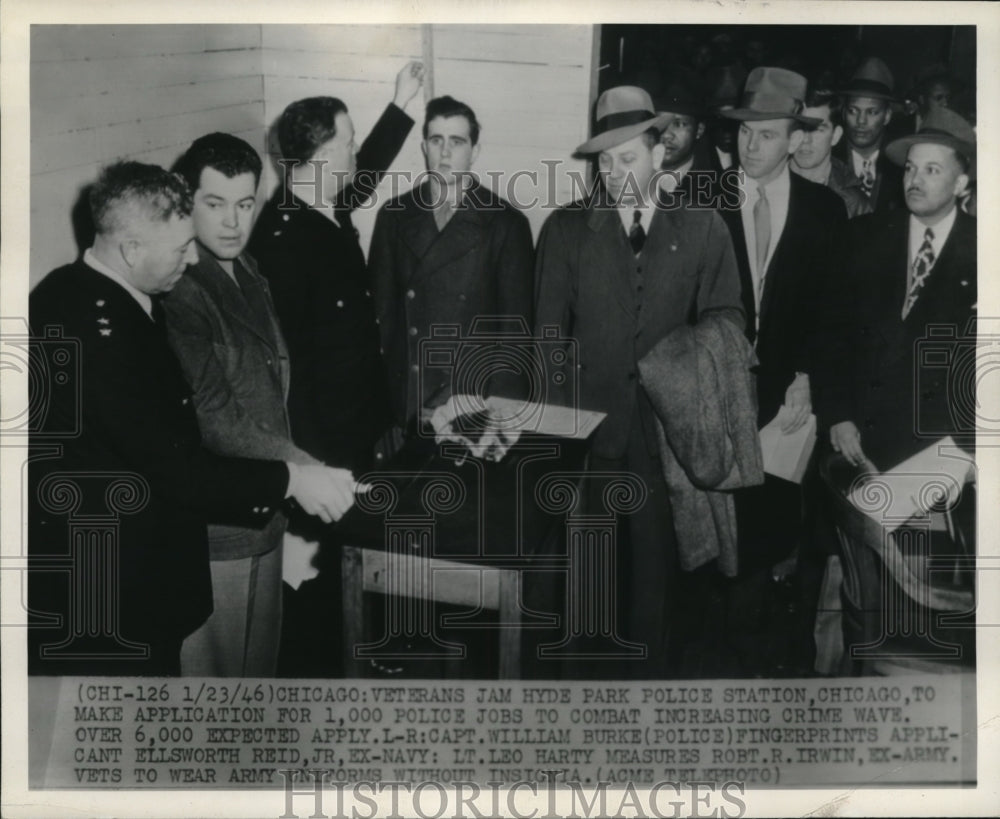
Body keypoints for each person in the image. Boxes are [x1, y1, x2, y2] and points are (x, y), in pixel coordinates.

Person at [28, 162, 361, 676]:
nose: (192, 257)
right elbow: (178, 470)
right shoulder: (104, 337)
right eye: (181, 248)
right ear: (132, 249)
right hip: (117, 591)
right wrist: (294, 478)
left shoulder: (74, 291)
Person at [535, 86, 744, 678]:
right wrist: (555, 437)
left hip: (667, 439)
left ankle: (647, 704)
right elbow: (546, 340)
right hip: (587, 436)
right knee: (584, 579)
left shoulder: (703, 226)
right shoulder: (567, 229)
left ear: (660, 153)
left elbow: (729, 318)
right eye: (605, 162)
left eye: (628, 158)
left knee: (656, 582)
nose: (616, 173)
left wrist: (677, 365)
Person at [161, 133, 324, 677]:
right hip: (217, 529)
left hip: (266, 514)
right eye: (214, 204)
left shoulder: (248, 268)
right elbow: (213, 417)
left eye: (245, 204)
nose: (232, 222)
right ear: (186, 200)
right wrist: (304, 469)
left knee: (258, 676)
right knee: (213, 692)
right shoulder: (180, 288)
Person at [716, 67, 848, 673]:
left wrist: (805, 372)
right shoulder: (705, 198)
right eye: (745, 133)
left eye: (767, 135)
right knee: (718, 527)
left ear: (796, 139)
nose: (751, 146)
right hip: (718, 391)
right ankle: (717, 649)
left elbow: (830, 309)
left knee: (771, 522)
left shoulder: (825, 212)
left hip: (787, 396)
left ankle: (758, 652)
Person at [248, 62, 425, 473]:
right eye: (349, 143)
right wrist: (314, 465)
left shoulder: (323, 203)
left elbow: (366, 172)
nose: (355, 150)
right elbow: (292, 367)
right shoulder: (282, 243)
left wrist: (400, 101)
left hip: (363, 421)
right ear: (326, 157)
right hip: (329, 443)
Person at [817, 108, 976, 473]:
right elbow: (831, 333)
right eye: (910, 168)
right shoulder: (864, 236)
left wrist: (965, 455)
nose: (914, 180)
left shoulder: (985, 249)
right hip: (856, 442)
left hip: (938, 456)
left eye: (932, 170)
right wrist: (838, 415)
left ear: (960, 184)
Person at [369, 95, 534, 436]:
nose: (445, 152)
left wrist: (500, 417)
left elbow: (515, 334)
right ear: (423, 147)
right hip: (408, 401)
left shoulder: (505, 223)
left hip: (471, 404)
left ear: (474, 151)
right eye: (436, 141)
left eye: (457, 142)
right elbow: (381, 319)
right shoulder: (394, 216)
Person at [833, 57, 904, 214]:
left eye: (872, 112)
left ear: (887, 116)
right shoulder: (829, 159)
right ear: (844, 113)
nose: (861, 121)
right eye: (853, 111)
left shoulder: (900, 165)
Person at [791, 87, 872, 219]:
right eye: (800, 127)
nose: (806, 139)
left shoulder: (855, 204)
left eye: (817, 130)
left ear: (835, 135)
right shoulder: (767, 182)